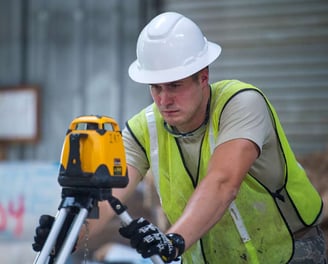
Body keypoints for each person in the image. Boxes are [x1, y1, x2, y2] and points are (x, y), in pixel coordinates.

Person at [33, 12, 327, 263]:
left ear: (203, 77)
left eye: (174, 85)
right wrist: (70, 233)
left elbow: (223, 183)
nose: (163, 100)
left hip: (289, 252)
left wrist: (172, 240)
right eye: (155, 87)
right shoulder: (142, 129)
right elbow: (108, 196)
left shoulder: (242, 103)